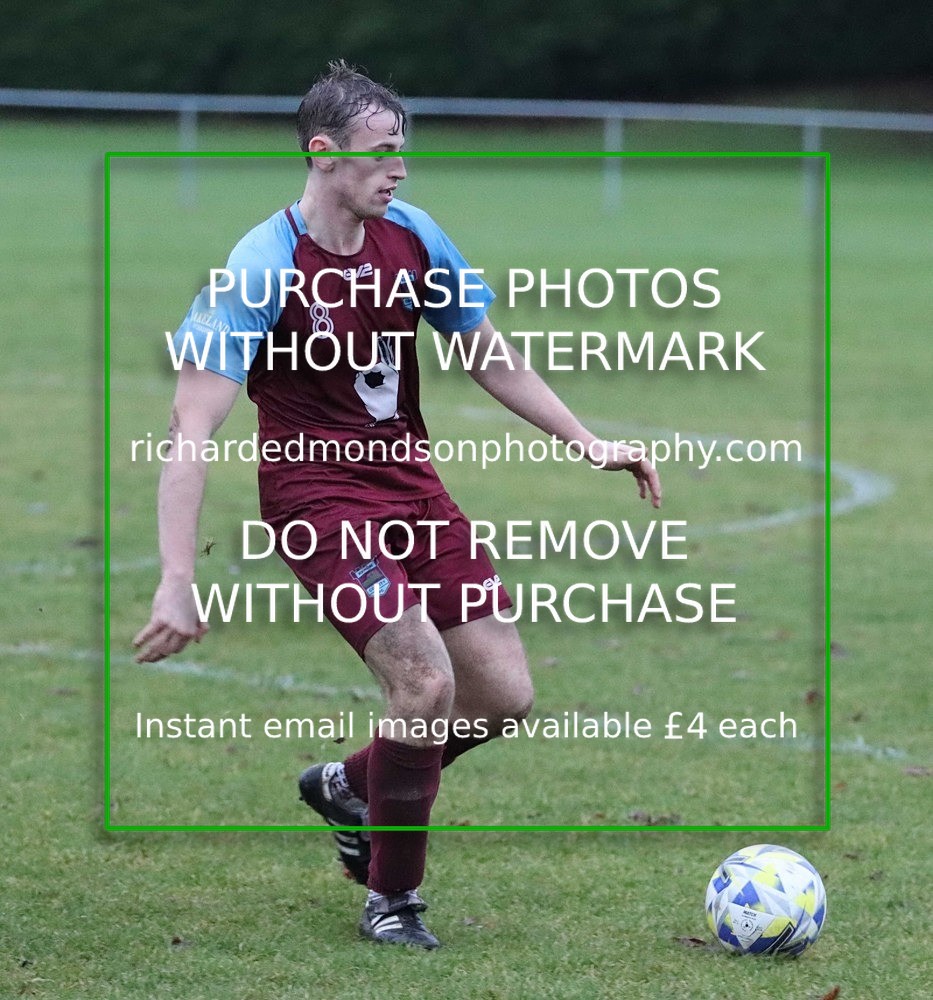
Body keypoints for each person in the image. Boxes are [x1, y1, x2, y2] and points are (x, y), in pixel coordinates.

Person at [133, 60, 661, 950]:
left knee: (503, 697)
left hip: (411, 488)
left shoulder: (413, 237)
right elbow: (191, 428)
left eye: (402, 150)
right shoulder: (259, 268)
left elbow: (487, 354)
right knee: (423, 683)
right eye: (383, 152)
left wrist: (588, 440)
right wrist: (177, 577)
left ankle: (348, 786)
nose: (400, 169)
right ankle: (392, 898)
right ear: (324, 153)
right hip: (316, 498)